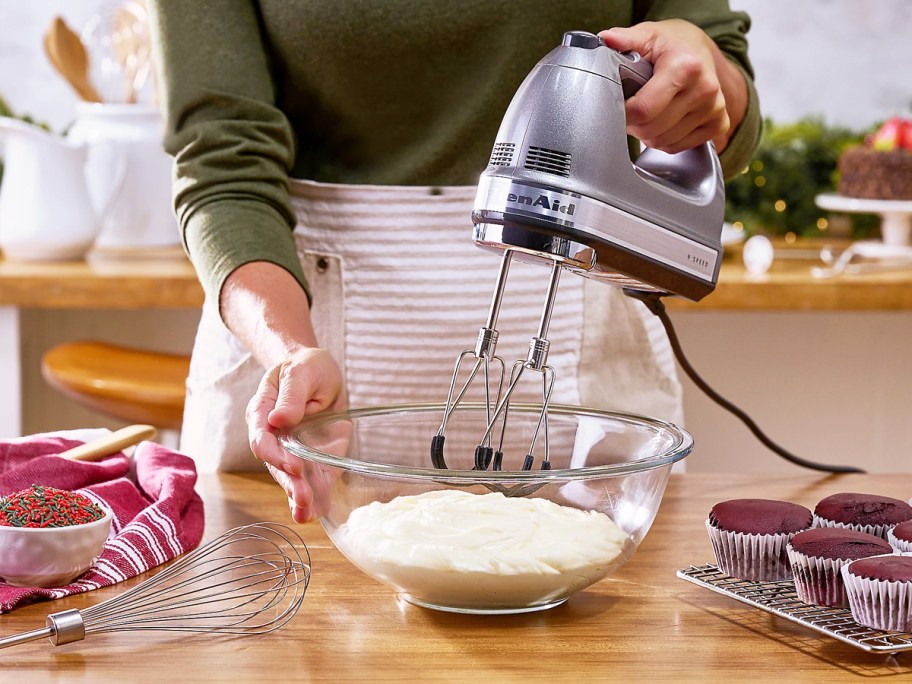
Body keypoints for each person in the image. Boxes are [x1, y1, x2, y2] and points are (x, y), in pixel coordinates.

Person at [148, 1, 761, 523]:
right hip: (291, 325)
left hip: (592, 405)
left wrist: (704, 75)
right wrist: (288, 351)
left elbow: (730, 97)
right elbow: (222, 161)